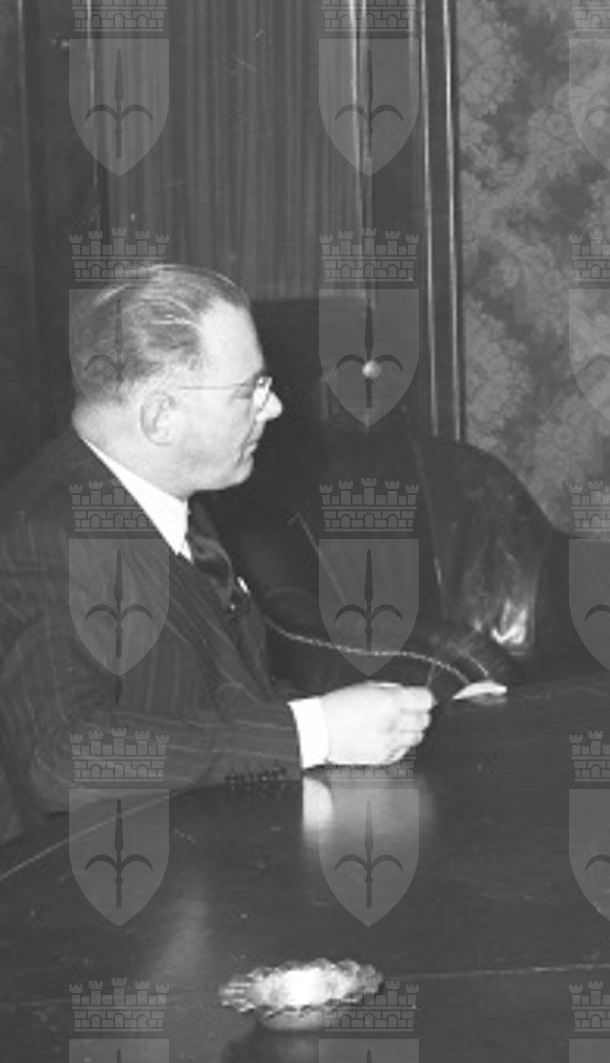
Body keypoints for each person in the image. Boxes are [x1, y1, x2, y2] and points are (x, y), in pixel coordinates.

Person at [0, 265, 433, 845]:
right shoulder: (45, 535)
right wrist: (314, 732)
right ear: (160, 417)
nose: (274, 407)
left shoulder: (159, 496)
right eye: (248, 390)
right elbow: (65, 758)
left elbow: (225, 703)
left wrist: (395, 711)